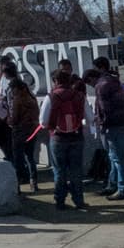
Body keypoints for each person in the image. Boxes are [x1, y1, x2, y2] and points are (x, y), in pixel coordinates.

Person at [46, 64, 87, 211]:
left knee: (59, 171)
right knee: (76, 170)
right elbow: (88, 117)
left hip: (58, 138)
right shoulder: (79, 96)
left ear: (55, 81)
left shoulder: (52, 96)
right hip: (76, 137)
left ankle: (60, 201)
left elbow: (42, 121)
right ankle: (79, 200)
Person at [93, 56, 124, 199]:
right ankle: (113, 184)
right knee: (115, 157)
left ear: (100, 68)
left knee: (117, 158)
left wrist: (102, 124)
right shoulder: (114, 81)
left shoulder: (101, 85)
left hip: (113, 125)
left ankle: (122, 188)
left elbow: (105, 109)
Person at [4, 68, 41, 193]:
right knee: (30, 157)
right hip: (32, 129)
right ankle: (33, 182)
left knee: (18, 158)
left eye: (13, 90)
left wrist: (8, 119)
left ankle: (18, 184)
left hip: (19, 131)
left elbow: (14, 119)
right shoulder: (32, 99)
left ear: (17, 89)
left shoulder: (17, 100)